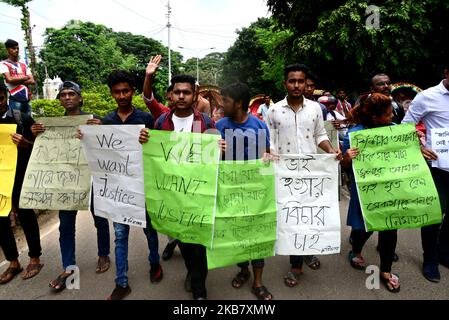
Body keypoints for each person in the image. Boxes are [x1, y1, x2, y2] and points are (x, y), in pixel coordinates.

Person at [140, 74, 218, 300]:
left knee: (199, 244)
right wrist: (145, 140)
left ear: (194, 96)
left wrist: (219, 147)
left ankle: (199, 288)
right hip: (173, 196)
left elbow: (214, 160)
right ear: (170, 96)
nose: (182, 96)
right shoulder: (161, 123)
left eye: (187, 92)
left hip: (198, 196)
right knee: (183, 241)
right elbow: (155, 159)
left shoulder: (206, 122)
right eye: (177, 92)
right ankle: (193, 273)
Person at [31, 81, 112, 292]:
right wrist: (36, 134)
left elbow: (106, 146)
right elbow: (43, 152)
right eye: (63, 94)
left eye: (71, 94)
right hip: (66, 183)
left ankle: (104, 254)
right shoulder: (52, 125)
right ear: (59, 100)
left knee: (100, 218)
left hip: (91, 178)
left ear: (80, 98)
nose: (67, 97)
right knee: (66, 226)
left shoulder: (93, 121)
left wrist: (100, 129)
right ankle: (68, 267)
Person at [268, 64, 341, 287]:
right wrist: (270, 154)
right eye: (292, 81)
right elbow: (270, 141)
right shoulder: (273, 110)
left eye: (300, 81)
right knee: (292, 219)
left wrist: (330, 150)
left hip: (312, 174)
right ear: (285, 84)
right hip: (286, 176)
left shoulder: (315, 109)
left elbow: (319, 134)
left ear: (305, 83)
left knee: (310, 215)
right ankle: (295, 266)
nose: (297, 85)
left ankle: (308, 251)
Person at [101, 71, 162, 300]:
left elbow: (157, 150)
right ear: (111, 94)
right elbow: (100, 153)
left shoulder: (145, 118)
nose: (122, 95)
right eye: (117, 91)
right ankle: (121, 282)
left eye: (125, 90)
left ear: (133, 91)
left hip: (143, 185)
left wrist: (150, 139)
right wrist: (85, 135)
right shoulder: (106, 121)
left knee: (150, 230)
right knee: (119, 234)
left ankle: (154, 263)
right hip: (119, 189)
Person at [215, 82, 272, 300]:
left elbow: (267, 153)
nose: (221, 104)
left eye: (226, 100)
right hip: (230, 193)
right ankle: (243, 270)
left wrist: (269, 156)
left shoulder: (259, 126)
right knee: (237, 235)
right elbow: (207, 161)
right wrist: (214, 150)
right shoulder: (218, 126)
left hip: (256, 193)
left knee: (258, 236)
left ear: (238, 103)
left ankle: (258, 282)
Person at [342, 93, 400, 293]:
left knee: (390, 229)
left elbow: (406, 153)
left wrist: (415, 142)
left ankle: (385, 270)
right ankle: (356, 250)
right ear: (375, 118)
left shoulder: (395, 131)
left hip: (391, 190)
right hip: (366, 192)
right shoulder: (354, 134)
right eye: (388, 114)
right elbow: (344, 165)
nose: (392, 116)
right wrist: (347, 157)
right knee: (364, 229)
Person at [402, 65, 449, 283]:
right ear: (446, 73)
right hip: (438, 168)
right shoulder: (427, 97)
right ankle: (429, 259)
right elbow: (406, 127)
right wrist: (419, 147)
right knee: (433, 215)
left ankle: (443, 252)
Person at [0, 83, 43, 284]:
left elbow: (41, 146)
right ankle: (13, 262)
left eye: (0, 98)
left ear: (6, 96)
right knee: (0, 220)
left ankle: (35, 258)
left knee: (26, 214)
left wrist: (26, 144)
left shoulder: (21, 118)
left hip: (20, 177)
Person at [0, 39, 35, 116]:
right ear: (8, 49)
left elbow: (32, 81)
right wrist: (25, 78)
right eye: (13, 48)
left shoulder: (23, 65)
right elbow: (9, 79)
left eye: (17, 48)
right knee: (16, 124)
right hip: (14, 99)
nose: (16, 50)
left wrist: (16, 80)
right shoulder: (3, 64)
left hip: (27, 100)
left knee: (29, 124)